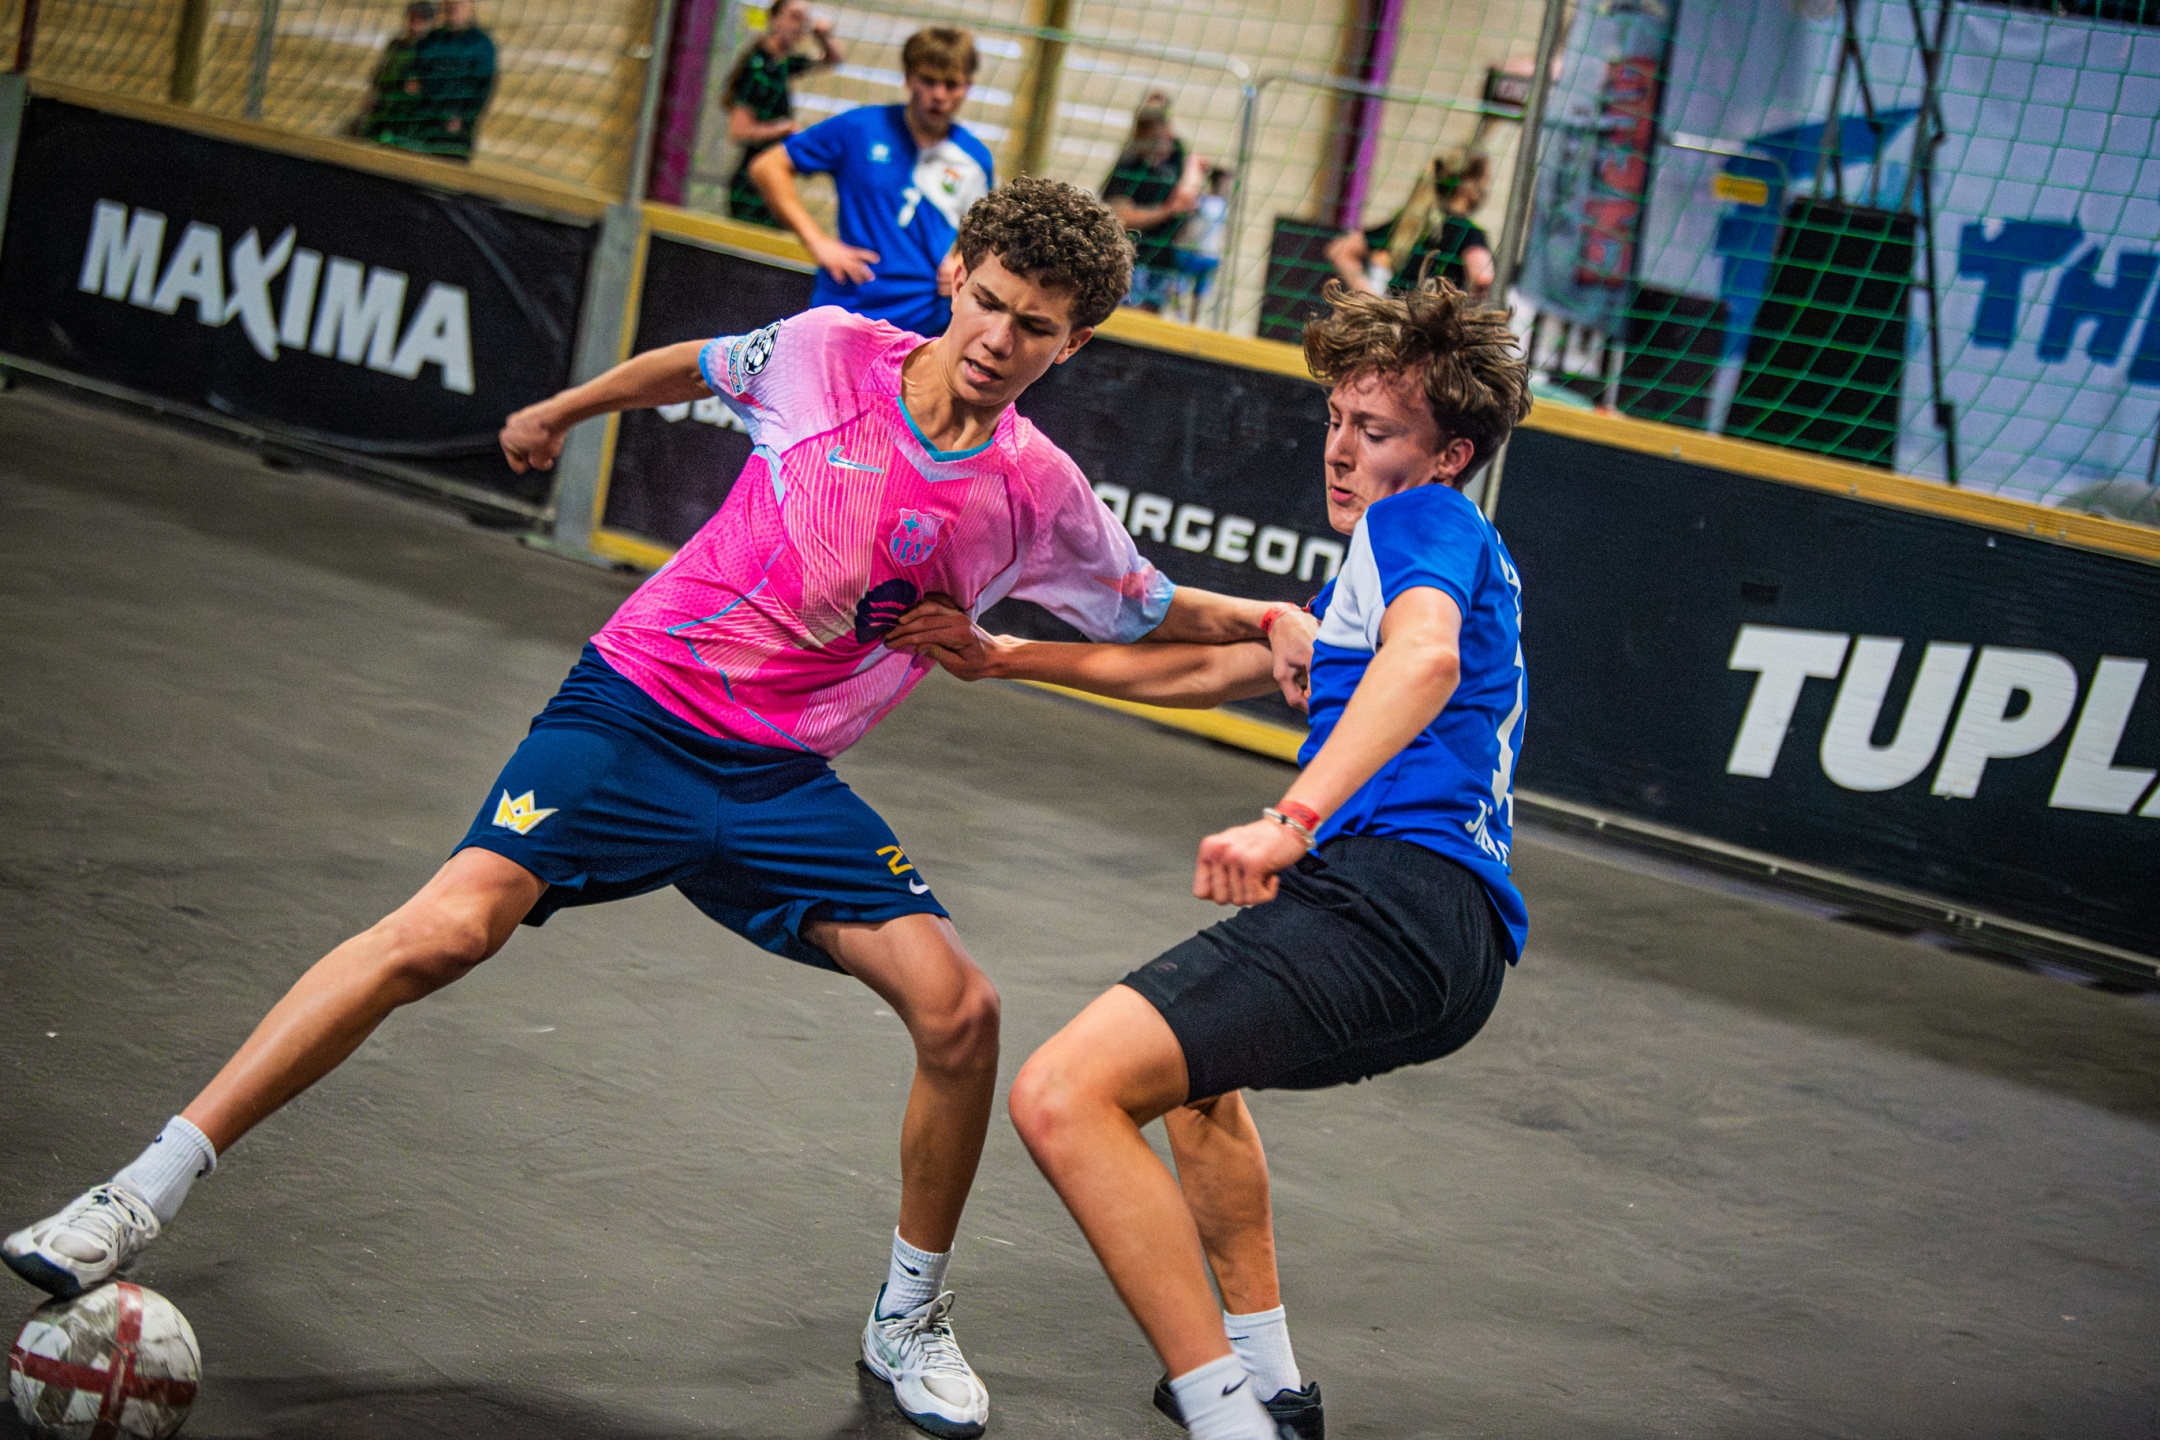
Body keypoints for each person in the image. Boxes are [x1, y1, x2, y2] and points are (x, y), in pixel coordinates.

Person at [1, 177, 1313, 1440]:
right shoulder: (828, 354)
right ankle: (139, 1190)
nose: (999, 339)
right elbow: (695, 366)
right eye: (990, 301)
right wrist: (563, 410)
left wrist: (1267, 619)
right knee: (443, 931)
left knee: (962, 1013)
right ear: (957, 275)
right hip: (633, 713)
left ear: (1072, 343)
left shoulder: (1035, 492)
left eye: (1036, 326)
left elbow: (1148, 606)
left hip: (778, 779)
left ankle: (907, 1317)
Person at [887, 278, 1532, 1440]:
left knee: (1062, 1095)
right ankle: (1268, 1381)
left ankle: (1227, 1416)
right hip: (1452, 940)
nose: (1342, 450)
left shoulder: (1420, 526)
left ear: (1450, 456)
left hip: (1391, 899)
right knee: (1191, 1079)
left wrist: (1292, 819)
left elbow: (1426, 662)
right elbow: (1205, 669)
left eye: (1377, 431)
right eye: (1335, 418)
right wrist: (1007, 657)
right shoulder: (1385, 568)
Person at [749, 26, 993, 336]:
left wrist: (962, 261)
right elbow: (767, 166)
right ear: (908, 78)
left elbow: (984, 234)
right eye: (929, 81)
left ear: (968, 86)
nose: (939, 95)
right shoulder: (860, 128)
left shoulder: (975, 159)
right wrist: (817, 242)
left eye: (951, 85)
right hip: (848, 311)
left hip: (925, 325)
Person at [721, 0, 842, 227]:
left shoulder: (782, 62)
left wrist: (823, 37)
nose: (800, 25)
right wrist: (783, 129)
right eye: (794, 16)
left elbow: (833, 59)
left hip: (770, 181)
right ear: (774, 19)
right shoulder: (758, 68)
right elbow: (738, 130)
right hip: (752, 185)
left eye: (804, 19)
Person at [1324, 148, 1496, 301]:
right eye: (1486, 182)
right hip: (1434, 322)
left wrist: (1368, 296)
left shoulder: (1410, 222)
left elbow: (1340, 250)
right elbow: (1483, 277)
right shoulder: (1468, 233)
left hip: (1397, 318)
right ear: (1469, 187)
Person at [1101, 91, 1203, 313]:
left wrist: (1191, 188)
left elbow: (1195, 169)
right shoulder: (1130, 164)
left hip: (1164, 260)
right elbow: (1122, 217)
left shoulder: (1177, 153)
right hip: (1132, 260)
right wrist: (1168, 210)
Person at [407, 0, 497, 161]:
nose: (453, 8)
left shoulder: (480, 44)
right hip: (422, 126)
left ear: (470, 7)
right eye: (450, 5)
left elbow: (484, 87)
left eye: (459, 5)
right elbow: (414, 72)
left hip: (453, 131)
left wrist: (463, 117)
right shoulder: (433, 39)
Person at [353, 1, 436, 148]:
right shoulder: (396, 45)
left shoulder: (431, 53)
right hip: (383, 106)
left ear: (429, 23)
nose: (415, 22)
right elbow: (380, 75)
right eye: (413, 17)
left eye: (421, 19)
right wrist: (373, 95)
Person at [1171, 162, 1233, 323]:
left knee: (1199, 293)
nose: (1228, 187)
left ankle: (1193, 321)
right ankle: (1179, 315)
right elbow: (1187, 222)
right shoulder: (1201, 201)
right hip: (1190, 251)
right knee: (1178, 287)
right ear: (1216, 182)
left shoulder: (1225, 206)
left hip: (1210, 254)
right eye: (1225, 182)